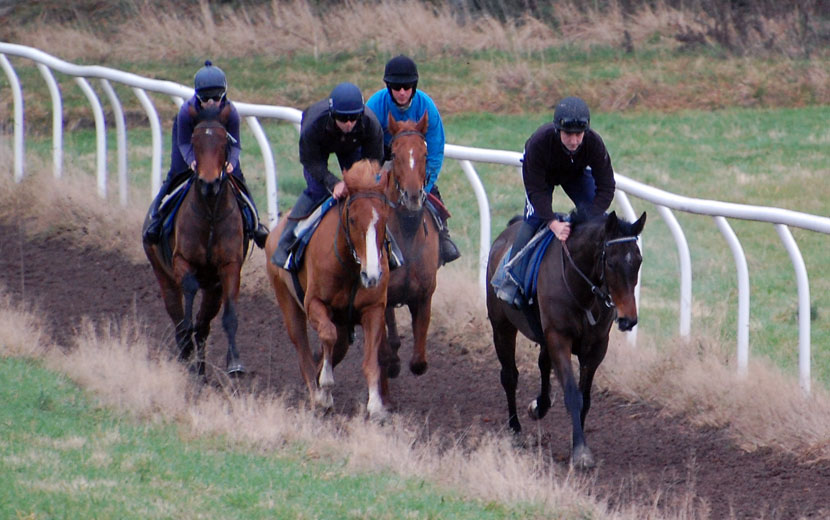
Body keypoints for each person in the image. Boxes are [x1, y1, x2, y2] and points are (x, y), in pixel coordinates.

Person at [494, 96, 616, 307]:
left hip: (573, 174)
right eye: (568, 134)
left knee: (599, 222)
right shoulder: (539, 143)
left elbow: (607, 186)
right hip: (541, 178)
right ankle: (510, 278)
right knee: (533, 220)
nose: (574, 141)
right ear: (557, 129)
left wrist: (590, 215)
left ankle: (607, 287)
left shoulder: (594, 143)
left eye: (579, 134)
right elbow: (535, 189)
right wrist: (552, 222)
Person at [143, 60, 269, 248]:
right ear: (197, 95)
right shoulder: (186, 112)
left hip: (219, 148)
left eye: (216, 97)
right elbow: (184, 143)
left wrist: (232, 162)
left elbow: (235, 145)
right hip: (190, 145)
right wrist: (191, 161)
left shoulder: (230, 112)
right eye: (205, 97)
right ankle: (155, 220)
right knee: (176, 174)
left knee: (238, 178)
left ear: (224, 93)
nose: (211, 102)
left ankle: (255, 223)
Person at [271, 82, 385, 270]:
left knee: (365, 198)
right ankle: (286, 243)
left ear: (361, 115)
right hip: (320, 148)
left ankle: (390, 248)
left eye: (353, 118)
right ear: (333, 115)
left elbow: (373, 162)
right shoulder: (314, 124)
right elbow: (310, 161)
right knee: (317, 190)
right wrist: (333, 184)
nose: (349, 123)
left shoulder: (370, 124)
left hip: (351, 148)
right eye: (343, 118)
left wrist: (360, 184)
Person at [366, 55, 460, 265]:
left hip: (415, 163)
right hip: (383, 157)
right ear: (389, 87)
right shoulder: (374, 105)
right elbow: (365, 147)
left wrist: (427, 182)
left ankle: (443, 238)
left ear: (414, 87)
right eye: (397, 87)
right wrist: (376, 176)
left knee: (433, 199)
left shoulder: (427, 107)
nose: (402, 92)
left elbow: (435, 150)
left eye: (407, 87)